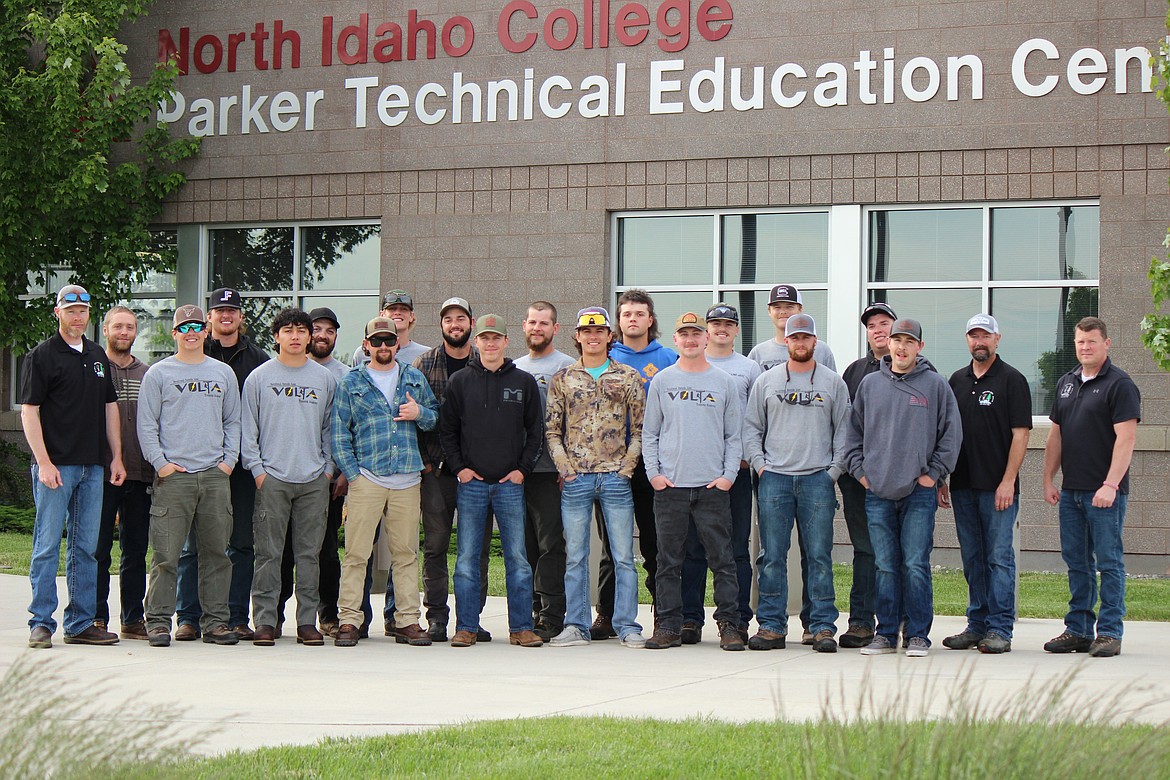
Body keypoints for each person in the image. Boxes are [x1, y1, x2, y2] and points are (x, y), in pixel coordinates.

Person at [845, 318, 961, 658]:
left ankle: (918, 634)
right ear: (889, 344)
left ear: (919, 347)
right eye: (897, 340)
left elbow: (951, 435)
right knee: (884, 564)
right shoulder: (869, 385)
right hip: (878, 491)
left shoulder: (936, 386)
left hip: (919, 492)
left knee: (914, 563)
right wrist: (862, 474)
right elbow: (852, 435)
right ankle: (885, 634)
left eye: (909, 341)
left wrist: (934, 473)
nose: (901, 347)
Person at [22, 284, 125, 649]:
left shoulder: (98, 355)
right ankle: (41, 622)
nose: (78, 316)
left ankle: (81, 623)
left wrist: (116, 456)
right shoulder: (42, 355)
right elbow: (30, 411)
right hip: (57, 468)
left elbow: (109, 407)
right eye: (71, 310)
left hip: (93, 467)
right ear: (58, 312)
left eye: (83, 310)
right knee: (47, 545)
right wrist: (44, 462)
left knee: (87, 548)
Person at [743, 314, 850, 653]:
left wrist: (831, 473)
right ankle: (772, 626)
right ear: (786, 341)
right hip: (775, 479)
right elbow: (751, 428)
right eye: (795, 338)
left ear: (815, 342)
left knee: (818, 556)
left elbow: (845, 434)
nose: (800, 343)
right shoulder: (767, 381)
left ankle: (820, 627)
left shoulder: (833, 383)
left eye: (806, 338)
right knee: (771, 555)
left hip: (817, 480)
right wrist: (761, 467)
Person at [330, 316, 438, 647]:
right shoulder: (352, 382)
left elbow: (435, 420)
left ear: (397, 343)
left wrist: (418, 413)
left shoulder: (414, 378)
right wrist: (353, 475)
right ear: (366, 345)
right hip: (368, 478)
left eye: (388, 341)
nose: (383, 347)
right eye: (376, 341)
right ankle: (349, 619)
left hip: (407, 478)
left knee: (405, 553)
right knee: (356, 553)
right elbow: (338, 433)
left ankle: (407, 621)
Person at [138, 304, 242, 647]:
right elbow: (147, 425)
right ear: (174, 333)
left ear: (206, 330)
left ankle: (215, 623)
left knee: (216, 554)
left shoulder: (222, 373)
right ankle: (157, 622)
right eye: (185, 327)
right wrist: (162, 464)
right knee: (167, 556)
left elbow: (233, 421)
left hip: (214, 476)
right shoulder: (159, 373)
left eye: (197, 326)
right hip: (174, 478)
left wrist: (227, 463)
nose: (192, 332)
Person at [440, 314, 544, 648]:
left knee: (518, 558)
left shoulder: (524, 382)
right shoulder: (461, 382)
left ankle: (521, 628)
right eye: (484, 338)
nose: (490, 343)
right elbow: (447, 431)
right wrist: (460, 468)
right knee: (468, 559)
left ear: (505, 341)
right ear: (477, 341)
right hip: (471, 484)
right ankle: (467, 626)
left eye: (496, 337)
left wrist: (522, 470)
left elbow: (536, 432)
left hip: (510, 485)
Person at [545, 307, 647, 648]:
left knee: (622, 556)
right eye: (586, 331)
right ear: (577, 336)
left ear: (609, 336)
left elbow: (642, 429)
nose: (593, 336)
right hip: (576, 480)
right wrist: (565, 467)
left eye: (599, 331)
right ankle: (576, 625)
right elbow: (552, 430)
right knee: (575, 556)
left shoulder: (628, 377)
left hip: (616, 478)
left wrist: (627, 466)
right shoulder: (563, 379)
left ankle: (627, 625)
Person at [643, 312, 745, 651]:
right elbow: (650, 433)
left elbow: (734, 435)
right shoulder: (662, 381)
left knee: (723, 560)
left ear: (706, 339)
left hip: (711, 487)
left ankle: (730, 625)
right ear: (676, 340)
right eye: (683, 334)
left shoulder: (724, 382)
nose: (690, 340)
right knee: (668, 561)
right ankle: (669, 625)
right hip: (670, 487)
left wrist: (728, 476)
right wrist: (654, 475)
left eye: (696, 334)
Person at [1042, 317, 1140, 658]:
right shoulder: (1067, 382)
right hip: (1071, 492)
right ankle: (1079, 630)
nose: (1085, 347)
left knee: (1109, 562)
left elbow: (1126, 439)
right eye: (1081, 342)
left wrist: (1111, 485)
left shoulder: (1119, 384)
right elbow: (1057, 434)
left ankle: (1110, 632)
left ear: (1106, 344)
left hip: (1104, 493)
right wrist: (1048, 479)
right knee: (1077, 562)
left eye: (1092, 342)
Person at [175, 287, 268, 641]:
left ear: (241, 318)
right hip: (199, 464)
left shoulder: (257, 359)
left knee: (241, 543)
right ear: (209, 317)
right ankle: (189, 616)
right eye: (219, 310)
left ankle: (235, 616)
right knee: (192, 545)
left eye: (232, 310)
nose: (226, 316)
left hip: (241, 467)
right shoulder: (194, 349)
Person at [242, 308, 337, 646]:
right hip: (273, 478)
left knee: (309, 555)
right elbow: (247, 428)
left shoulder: (324, 379)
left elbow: (330, 428)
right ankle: (266, 621)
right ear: (277, 336)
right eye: (288, 330)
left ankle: (307, 622)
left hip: (313, 479)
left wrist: (327, 468)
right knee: (268, 554)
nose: (295, 336)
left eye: (301, 330)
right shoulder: (259, 377)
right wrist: (258, 471)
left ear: (310, 336)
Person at [938, 314, 1032, 655]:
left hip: (998, 490)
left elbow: (1021, 435)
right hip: (962, 485)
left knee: (999, 559)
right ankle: (977, 624)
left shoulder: (1012, 380)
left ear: (997, 339)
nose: (980, 341)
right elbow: (947, 435)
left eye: (986, 336)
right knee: (973, 558)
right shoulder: (956, 381)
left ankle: (999, 629)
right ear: (967, 340)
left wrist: (1008, 481)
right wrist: (943, 478)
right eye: (974, 336)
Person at [597, 289, 677, 638]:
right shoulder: (603, 355)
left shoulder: (668, 358)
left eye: (639, 313)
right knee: (612, 544)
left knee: (655, 542)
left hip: (651, 463)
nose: (632, 319)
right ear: (619, 320)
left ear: (650, 319)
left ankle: (664, 614)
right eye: (626, 313)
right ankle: (608, 614)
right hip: (610, 463)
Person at [411, 296, 491, 642]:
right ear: (441, 325)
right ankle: (438, 618)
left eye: (461, 318)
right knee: (436, 545)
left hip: (478, 474)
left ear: (471, 324)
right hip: (437, 472)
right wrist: (425, 466)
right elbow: (410, 419)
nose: (454, 325)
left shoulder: (486, 363)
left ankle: (470, 619)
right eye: (448, 320)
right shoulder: (423, 364)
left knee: (477, 548)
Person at [678, 303, 759, 644]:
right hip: (695, 473)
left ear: (736, 330)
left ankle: (736, 619)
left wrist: (746, 458)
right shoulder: (691, 364)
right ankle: (689, 619)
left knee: (736, 548)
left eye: (728, 323)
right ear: (706, 331)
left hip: (736, 472)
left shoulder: (749, 368)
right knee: (693, 549)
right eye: (715, 324)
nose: (721, 329)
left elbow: (756, 419)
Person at [836, 302, 898, 649]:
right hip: (860, 480)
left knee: (902, 552)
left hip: (903, 482)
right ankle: (861, 622)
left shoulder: (921, 370)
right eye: (872, 325)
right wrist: (856, 472)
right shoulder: (855, 372)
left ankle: (901, 621)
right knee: (866, 550)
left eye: (885, 323)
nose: (879, 330)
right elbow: (847, 428)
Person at [514, 301, 575, 641]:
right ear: (524, 326)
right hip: (518, 471)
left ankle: (552, 614)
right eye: (532, 322)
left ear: (555, 328)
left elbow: (573, 421)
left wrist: (566, 467)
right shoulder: (514, 367)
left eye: (544, 323)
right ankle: (530, 611)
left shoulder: (567, 367)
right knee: (524, 546)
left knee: (552, 544)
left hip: (550, 472)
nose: (537, 328)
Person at [95, 305, 153, 640]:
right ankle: (96, 617)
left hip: (141, 473)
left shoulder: (149, 374)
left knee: (135, 551)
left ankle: (132, 618)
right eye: (118, 326)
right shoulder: (93, 369)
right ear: (106, 330)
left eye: (130, 327)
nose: (124, 332)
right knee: (99, 549)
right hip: (100, 475)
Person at [308, 307, 350, 637]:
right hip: (288, 475)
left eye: (329, 331)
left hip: (330, 478)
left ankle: (328, 615)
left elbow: (349, 429)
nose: (323, 335)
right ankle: (277, 616)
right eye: (316, 329)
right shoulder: (281, 370)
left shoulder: (345, 375)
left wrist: (343, 472)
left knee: (325, 550)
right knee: (284, 551)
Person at [747, 284, 837, 371]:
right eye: (777, 307)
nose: (783, 312)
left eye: (789, 307)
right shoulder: (758, 353)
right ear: (769, 311)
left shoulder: (821, 350)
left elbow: (832, 384)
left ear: (800, 309)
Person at [352, 290, 430, 368]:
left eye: (404, 309)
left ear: (411, 316)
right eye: (392, 309)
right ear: (382, 314)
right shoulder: (362, 353)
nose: (398, 312)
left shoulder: (425, 355)